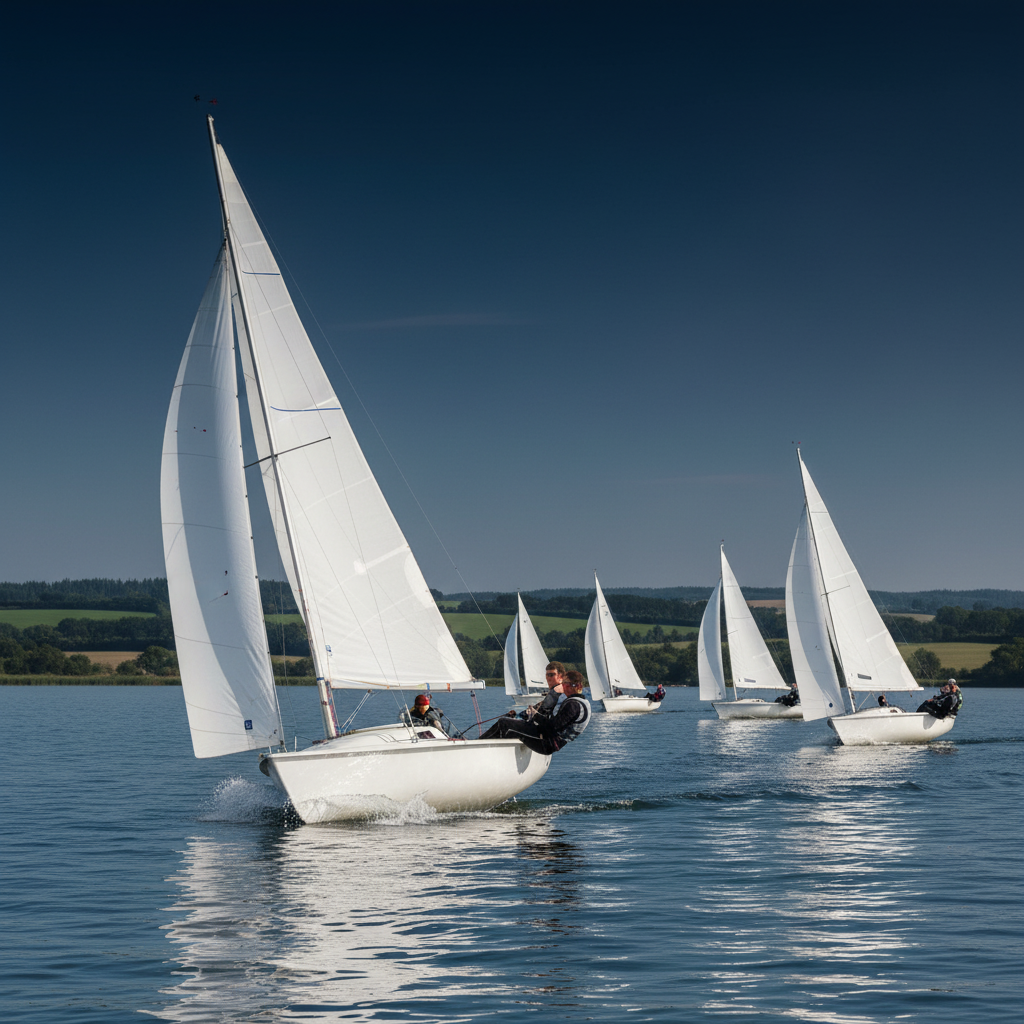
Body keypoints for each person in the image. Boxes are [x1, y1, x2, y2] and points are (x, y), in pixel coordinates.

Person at [479, 673, 591, 754]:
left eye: (565, 684)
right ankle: (487, 748)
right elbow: (554, 723)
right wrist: (529, 716)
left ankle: (479, 747)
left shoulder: (573, 705)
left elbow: (553, 727)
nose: (563, 687)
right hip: (548, 739)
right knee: (511, 723)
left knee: (504, 724)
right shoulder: (583, 702)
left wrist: (536, 716)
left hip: (546, 744)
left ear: (576, 686)